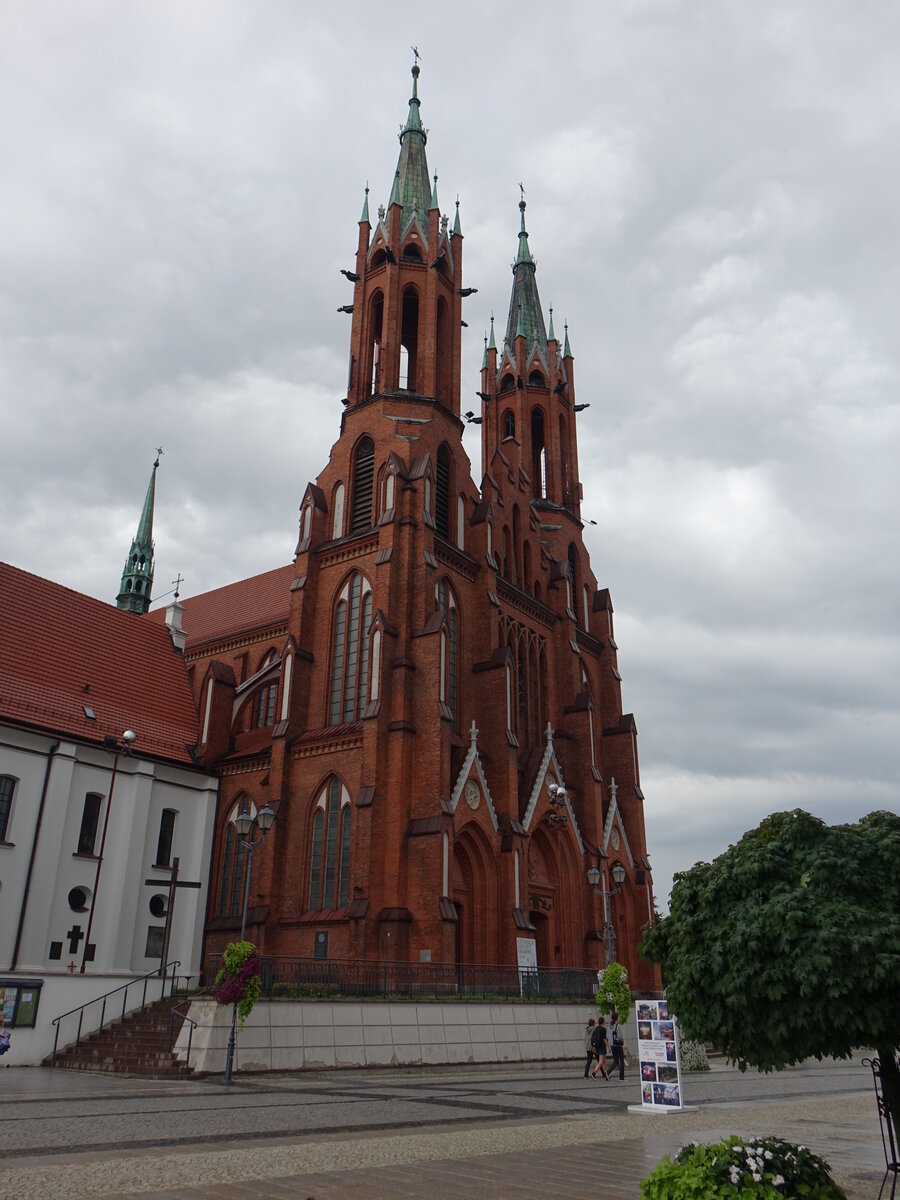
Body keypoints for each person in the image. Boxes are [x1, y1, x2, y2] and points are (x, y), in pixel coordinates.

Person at [590, 1015, 609, 1079]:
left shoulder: (596, 1028)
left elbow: (594, 1038)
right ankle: (594, 1073)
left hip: (597, 1046)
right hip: (602, 1047)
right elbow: (604, 1039)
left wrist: (593, 1047)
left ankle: (606, 1075)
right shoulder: (603, 1029)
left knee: (603, 1061)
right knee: (601, 1061)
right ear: (603, 1022)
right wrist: (608, 1047)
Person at [609, 1009, 626, 1079]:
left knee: (615, 1061)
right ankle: (621, 1077)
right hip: (618, 1045)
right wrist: (622, 1040)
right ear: (617, 1018)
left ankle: (607, 1072)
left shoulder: (609, 1026)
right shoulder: (618, 1026)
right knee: (621, 1061)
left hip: (612, 1045)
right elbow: (620, 1036)